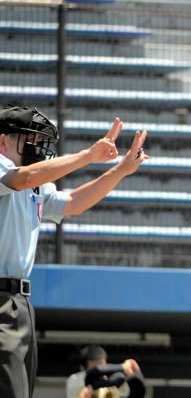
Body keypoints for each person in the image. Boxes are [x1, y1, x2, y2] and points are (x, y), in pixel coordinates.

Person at [0, 106, 148, 398]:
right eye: (28, 139)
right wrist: (88, 156)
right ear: (3, 141)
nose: (37, 147)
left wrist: (120, 170)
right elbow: (23, 178)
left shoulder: (34, 183)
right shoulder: (12, 171)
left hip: (19, 303)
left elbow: (73, 203)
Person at [66, 345, 146, 398]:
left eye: (104, 366)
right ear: (82, 368)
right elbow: (94, 373)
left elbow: (136, 392)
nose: (103, 371)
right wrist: (122, 366)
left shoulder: (111, 377)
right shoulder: (74, 380)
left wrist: (134, 374)